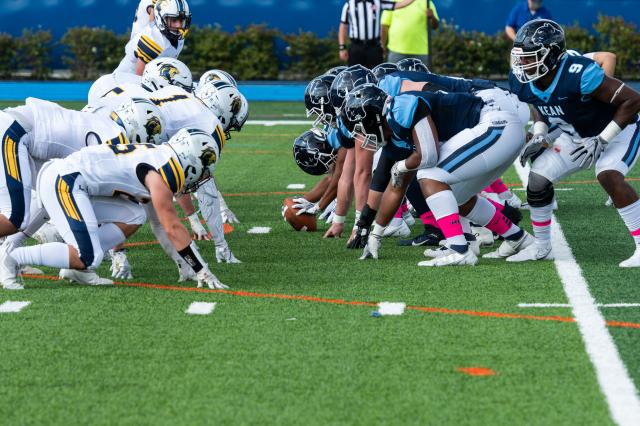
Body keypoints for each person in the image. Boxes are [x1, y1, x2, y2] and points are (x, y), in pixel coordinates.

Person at [0, 129, 229, 291]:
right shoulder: (159, 174)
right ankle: (11, 259)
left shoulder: (159, 157)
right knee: (88, 256)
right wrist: (201, 269)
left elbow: (158, 223)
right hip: (66, 181)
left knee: (135, 214)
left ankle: (76, 270)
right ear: (191, 160)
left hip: (72, 181)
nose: (201, 176)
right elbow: (171, 226)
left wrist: (184, 264)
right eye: (203, 169)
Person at [508, 19, 640, 267]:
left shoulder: (579, 73)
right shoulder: (523, 78)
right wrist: (540, 132)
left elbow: (632, 101)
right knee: (537, 180)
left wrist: (603, 139)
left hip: (619, 130)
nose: (524, 63)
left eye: (531, 56)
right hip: (576, 134)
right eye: (521, 57)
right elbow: (539, 103)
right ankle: (542, 246)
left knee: (609, 175)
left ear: (552, 55)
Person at [88, 0, 191, 104]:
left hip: (148, 77)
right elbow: (138, 78)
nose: (178, 25)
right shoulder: (156, 38)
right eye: (174, 20)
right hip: (126, 81)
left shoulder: (177, 37)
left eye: (181, 20)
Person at [338, 1, 416, 68]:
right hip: (356, 47)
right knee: (354, 76)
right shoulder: (349, 5)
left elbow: (399, 5)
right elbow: (343, 26)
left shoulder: (378, 2)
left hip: (374, 47)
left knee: (377, 75)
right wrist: (342, 47)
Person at [380, 0, 439, 65]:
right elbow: (384, 25)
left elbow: (435, 26)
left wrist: (432, 17)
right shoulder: (394, 1)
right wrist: (382, 45)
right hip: (396, 51)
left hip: (421, 51)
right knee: (395, 75)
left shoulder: (426, 2)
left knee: (421, 75)